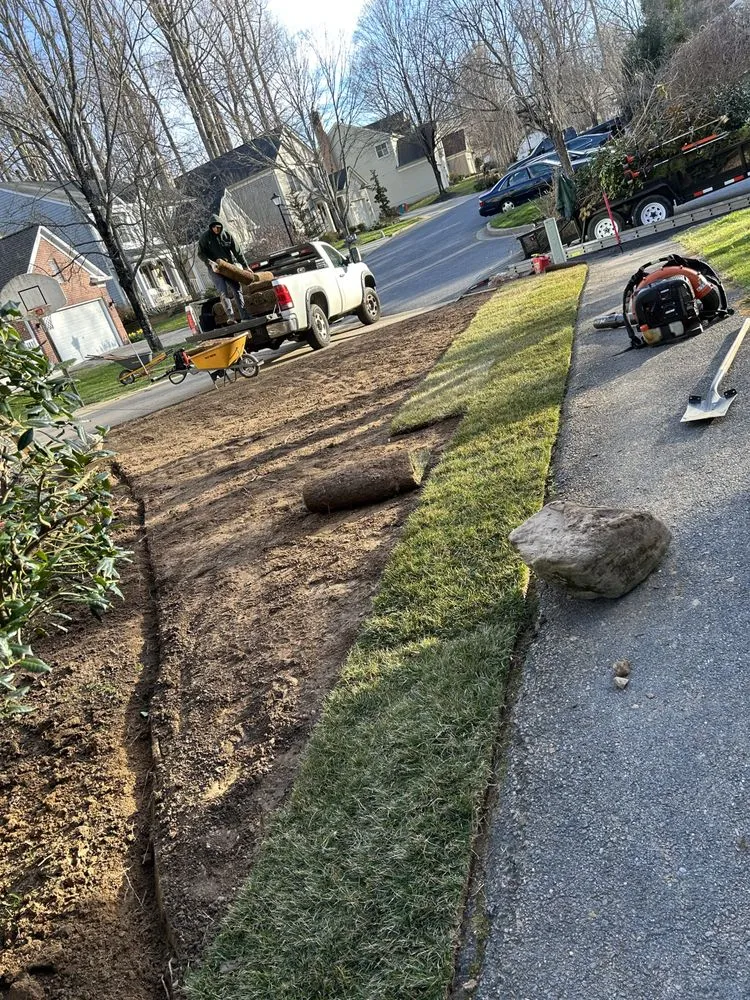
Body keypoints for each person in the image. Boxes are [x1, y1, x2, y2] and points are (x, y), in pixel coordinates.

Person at [197, 214, 250, 322]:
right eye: (213, 227)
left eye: (218, 227)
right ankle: (231, 317)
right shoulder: (205, 237)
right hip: (215, 268)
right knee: (223, 291)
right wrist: (209, 262)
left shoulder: (227, 236)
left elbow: (237, 252)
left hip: (228, 267)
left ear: (221, 226)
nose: (216, 229)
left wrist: (245, 266)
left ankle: (244, 316)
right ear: (211, 227)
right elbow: (200, 253)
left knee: (237, 288)